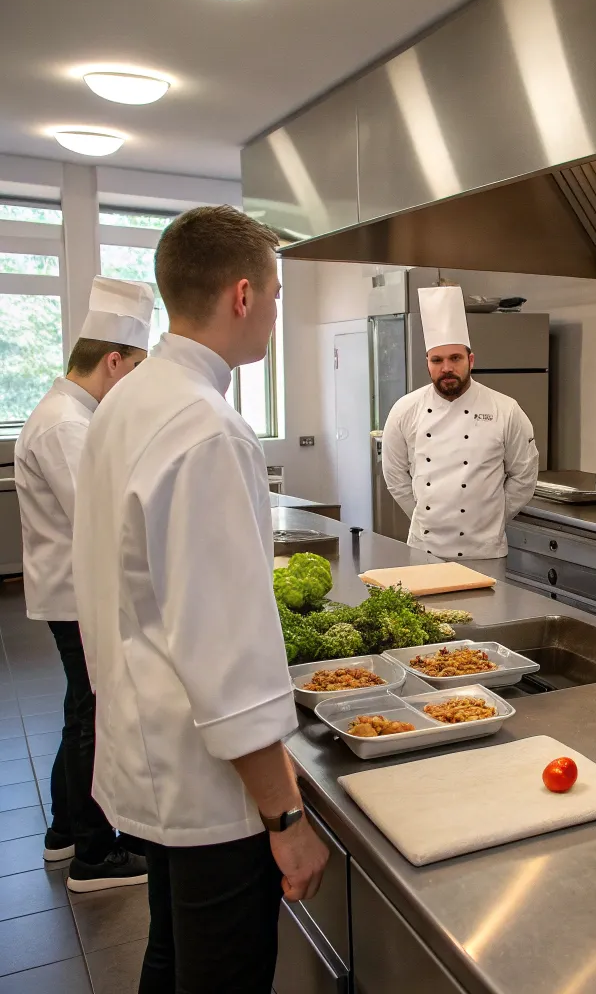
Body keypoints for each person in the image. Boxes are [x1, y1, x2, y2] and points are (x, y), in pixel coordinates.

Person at [72, 206, 328, 993]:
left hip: (148, 752)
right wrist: (285, 818)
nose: (277, 313)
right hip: (207, 781)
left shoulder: (128, 399)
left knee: (171, 957)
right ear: (244, 295)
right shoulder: (209, 428)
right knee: (220, 972)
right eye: (279, 295)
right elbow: (226, 654)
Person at [15, 276, 153, 893]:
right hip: (77, 594)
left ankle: (65, 832)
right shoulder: (66, 424)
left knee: (79, 709)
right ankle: (96, 855)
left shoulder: (67, 412)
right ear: (114, 360)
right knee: (93, 716)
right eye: (136, 370)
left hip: (68, 590)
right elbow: (101, 521)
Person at [381, 284, 539, 560]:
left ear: (471, 360)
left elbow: (524, 476)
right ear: (427, 363)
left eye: (455, 358)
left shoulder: (505, 409)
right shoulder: (405, 410)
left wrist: (491, 516)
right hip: (425, 549)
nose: (446, 368)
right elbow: (394, 476)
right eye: (437, 360)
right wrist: (424, 514)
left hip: (485, 552)